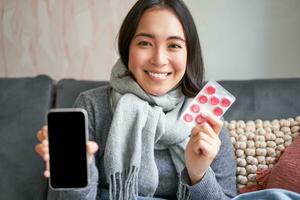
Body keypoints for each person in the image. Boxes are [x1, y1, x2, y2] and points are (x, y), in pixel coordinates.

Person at [35, 0, 237, 199]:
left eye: (174, 45)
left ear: (189, 54)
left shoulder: (206, 114)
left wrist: (198, 174)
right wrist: (80, 172)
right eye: (145, 43)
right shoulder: (93, 106)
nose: (159, 59)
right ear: (127, 48)